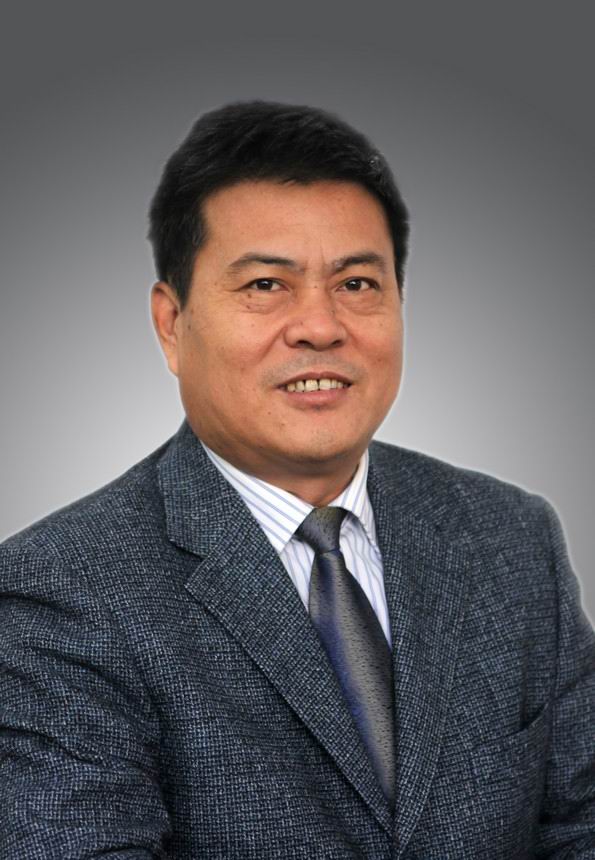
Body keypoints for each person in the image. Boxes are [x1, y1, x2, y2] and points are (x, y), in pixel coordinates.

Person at [0, 100, 593, 860]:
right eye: (265, 285)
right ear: (171, 324)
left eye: (357, 284)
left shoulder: (511, 537)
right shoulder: (59, 592)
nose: (320, 326)